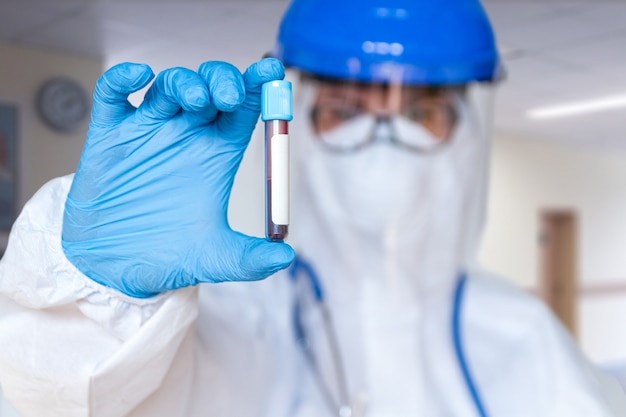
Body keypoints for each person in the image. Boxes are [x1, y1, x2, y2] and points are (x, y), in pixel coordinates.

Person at [0, 0, 624, 416]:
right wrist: (94, 306)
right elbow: (79, 399)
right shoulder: (230, 319)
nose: (382, 145)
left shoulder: (520, 332)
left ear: (464, 138)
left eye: (420, 113)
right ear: (300, 119)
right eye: (346, 114)